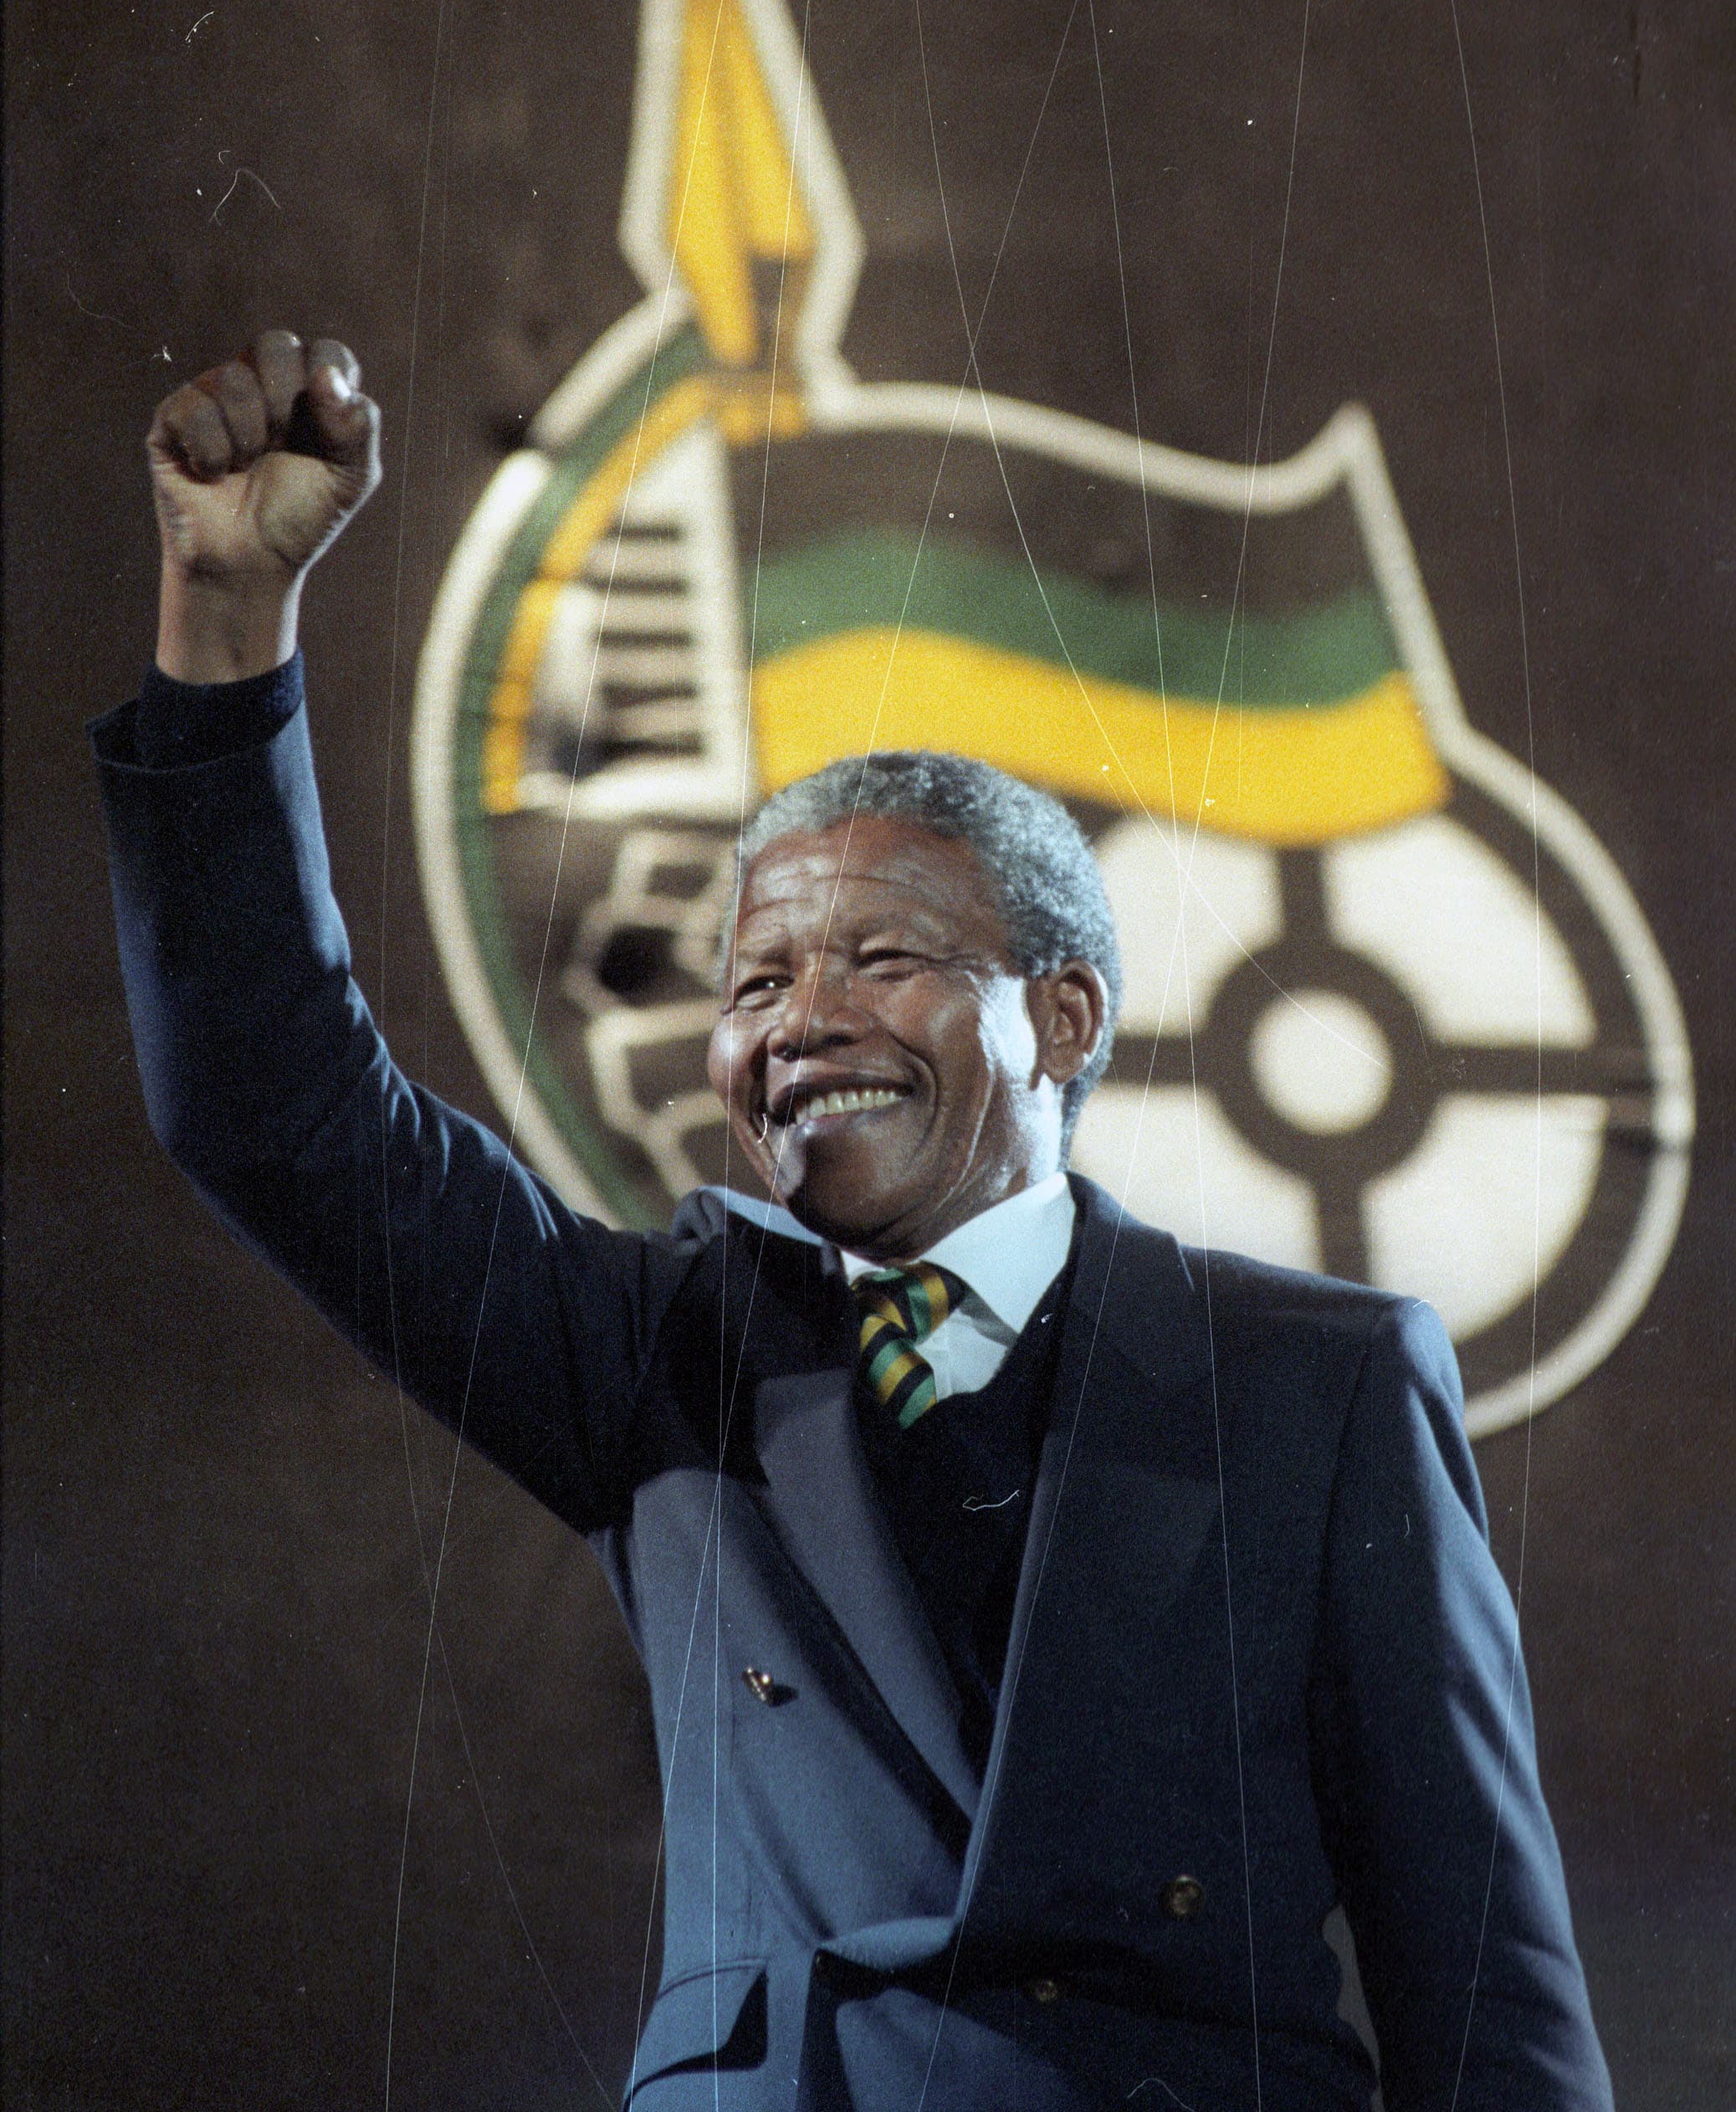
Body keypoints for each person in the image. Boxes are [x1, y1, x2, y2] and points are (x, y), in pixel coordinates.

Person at [92, 334, 1613, 2109]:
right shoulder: (659, 1356)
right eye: (753, 983)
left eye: (880, 959)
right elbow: (273, 1110)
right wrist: (224, 619)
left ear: (1063, 1020)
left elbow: (1481, 1972)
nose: (796, 1021)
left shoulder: (1314, 1382)